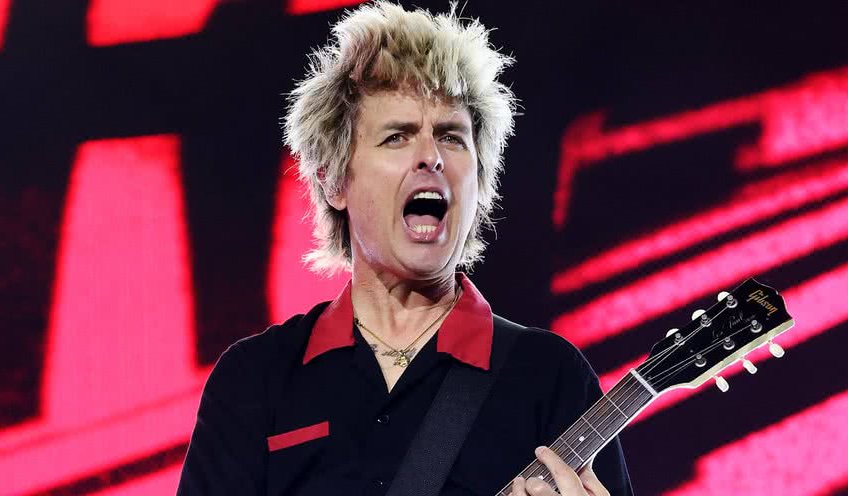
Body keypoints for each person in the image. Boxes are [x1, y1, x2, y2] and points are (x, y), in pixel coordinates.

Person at [177, 2, 632, 495]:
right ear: (334, 182)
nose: (431, 157)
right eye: (397, 137)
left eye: (452, 138)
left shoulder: (550, 376)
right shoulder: (255, 378)